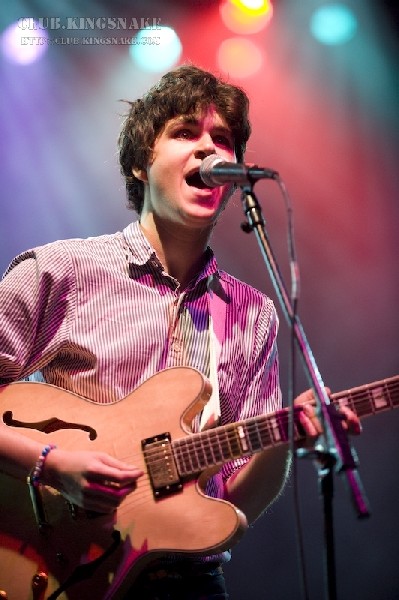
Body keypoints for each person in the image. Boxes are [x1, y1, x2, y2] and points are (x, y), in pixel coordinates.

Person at [0, 64, 360, 600]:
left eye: (223, 140)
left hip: (192, 583)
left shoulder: (253, 314)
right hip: (63, 570)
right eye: (186, 133)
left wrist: (282, 438)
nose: (209, 150)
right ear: (141, 163)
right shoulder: (60, 272)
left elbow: (235, 501)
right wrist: (52, 465)